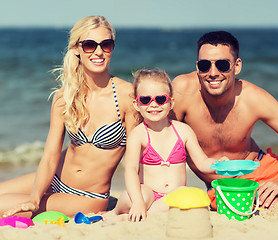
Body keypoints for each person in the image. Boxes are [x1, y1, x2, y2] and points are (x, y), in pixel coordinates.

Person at [172, 31, 278, 210]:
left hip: (262, 166)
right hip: (223, 186)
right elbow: (155, 135)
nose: (212, 73)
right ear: (197, 67)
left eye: (222, 65)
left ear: (237, 66)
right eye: (204, 65)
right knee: (254, 204)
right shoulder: (182, 91)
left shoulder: (253, 98)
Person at [0, 16, 136, 218]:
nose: (98, 52)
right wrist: (35, 198)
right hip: (53, 179)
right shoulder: (65, 96)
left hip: (88, 197)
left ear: (112, 47)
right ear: (76, 48)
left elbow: (137, 158)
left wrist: (139, 198)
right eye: (89, 45)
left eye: (105, 44)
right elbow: (50, 156)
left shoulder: (127, 96)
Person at [109, 69, 225, 222]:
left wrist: (219, 164)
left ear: (171, 103)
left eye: (160, 99)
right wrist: (137, 202)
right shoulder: (138, 134)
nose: (153, 105)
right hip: (145, 196)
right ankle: (116, 212)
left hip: (171, 197)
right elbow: (130, 170)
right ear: (136, 104)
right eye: (145, 100)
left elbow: (202, 162)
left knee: (185, 193)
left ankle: (141, 216)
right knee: (141, 194)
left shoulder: (183, 131)